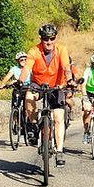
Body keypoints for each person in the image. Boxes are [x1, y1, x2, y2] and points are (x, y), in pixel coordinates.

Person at [18, 24, 76, 166]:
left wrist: (69, 80)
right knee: (29, 96)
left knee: (58, 117)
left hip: (56, 84)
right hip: (38, 83)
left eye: (52, 38)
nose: (49, 42)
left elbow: (66, 67)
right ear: (41, 39)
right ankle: (32, 125)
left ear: (55, 38)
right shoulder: (34, 51)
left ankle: (59, 151)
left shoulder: (61, 49)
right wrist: (20, 81)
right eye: (45, 39)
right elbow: (26, 69)